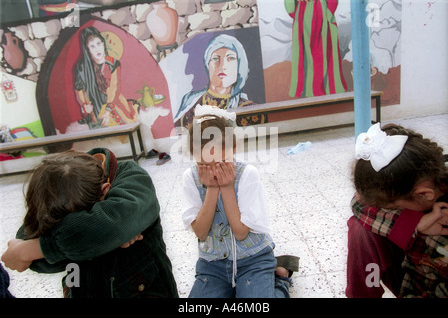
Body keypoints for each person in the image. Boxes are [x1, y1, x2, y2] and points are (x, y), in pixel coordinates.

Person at [1, 148, 178, 298]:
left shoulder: (132, 177)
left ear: (105, 191)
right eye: (62, 226)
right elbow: (31, 247)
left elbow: (112, 226)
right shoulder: (57, 189)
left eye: (81, 220)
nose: (71, 228)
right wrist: (99, 237)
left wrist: (35, 249)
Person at [181, 105, 299, 298]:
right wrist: (211, 189)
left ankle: (280, 279)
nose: (212, 172)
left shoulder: (247, 174)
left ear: (233, 148)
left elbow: (241, 232)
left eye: (218, 163)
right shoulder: (190, 178)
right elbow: (201, 232)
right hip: (213, 264)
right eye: (202, 165)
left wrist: (226, 187)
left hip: (254, 259)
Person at [346, 123, 448, 298]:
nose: (393, 211)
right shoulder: (417, 183)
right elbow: (359, 203)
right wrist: (413, 223)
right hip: (411, 275)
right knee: (362, 230)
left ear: (424, 194)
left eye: (395, 208)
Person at [173, 34, 265, 128]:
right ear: (207, 64)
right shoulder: (191, 102)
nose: (222, 66)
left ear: (239, 66)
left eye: (230, 58)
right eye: (215, 59)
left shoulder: (249, 109)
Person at [74, 26, 138, 129]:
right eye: (92, 46)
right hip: (94, 109)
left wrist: (108, 111)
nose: (97, 49)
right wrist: (84, 106)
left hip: (113, 104)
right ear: (87, 49)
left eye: (98, 44)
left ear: (103, 44)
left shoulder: (113, 63)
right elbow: (79, 90)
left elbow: (114, 89)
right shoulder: (81, 68)